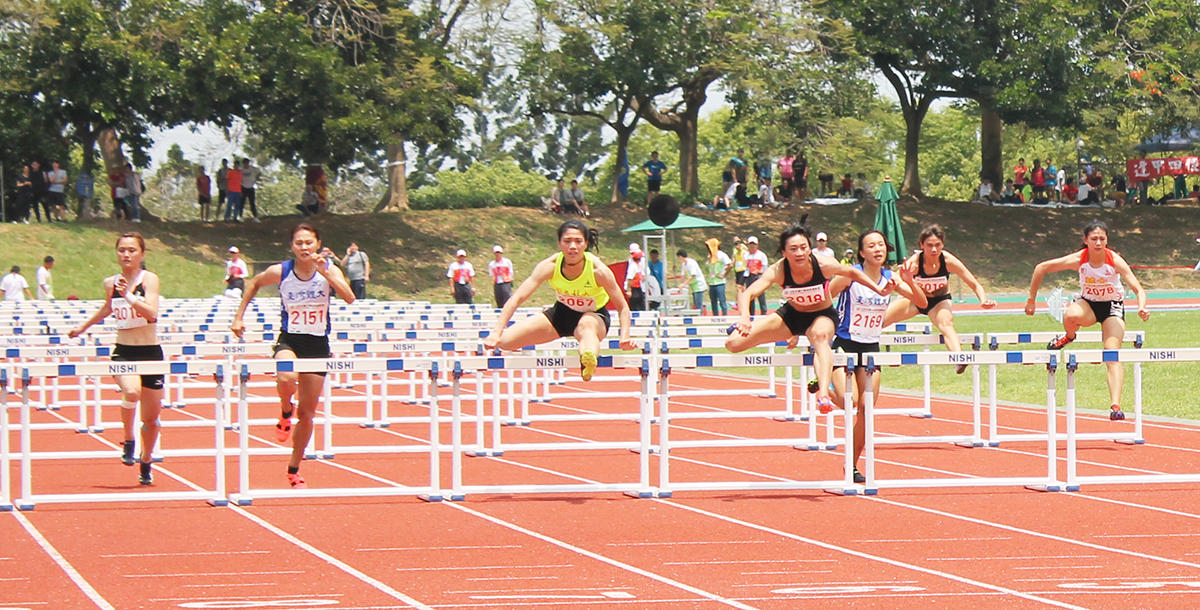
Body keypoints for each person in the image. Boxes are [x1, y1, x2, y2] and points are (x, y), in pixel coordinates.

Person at [231, 223, 355, 488]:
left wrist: (327, 273)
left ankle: (294, 467)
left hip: (317, 343)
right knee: (286, 374)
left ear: (318, 244)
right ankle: (286, 409)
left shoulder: (330, 270)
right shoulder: (282, 271)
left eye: (309, 242)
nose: (304, 248)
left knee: (308, 413)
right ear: (292, 247)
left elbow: (349, 297)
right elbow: (253, 283)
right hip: (290, 339)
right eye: (299, 243)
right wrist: (239, 316)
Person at [726, 223, 895, 415]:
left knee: (820, 336)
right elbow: (747, 293)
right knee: (734, 343)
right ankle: (779, 334)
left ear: (810, 248)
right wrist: (745, 318)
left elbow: (852, 272)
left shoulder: (822, 264)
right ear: (784, 252)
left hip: (821, 315)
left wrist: (878, 289)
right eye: (793, 249)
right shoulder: (778, 270)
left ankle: (823, 394)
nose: (799, 253)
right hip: (792, 315)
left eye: (803, 248)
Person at [1025, 220, 1149, 421]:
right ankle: (1069, 336)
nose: (1098, 242)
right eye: (1094, 239)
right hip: (1088, 305)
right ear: (1086, 240)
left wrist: (1142, 306)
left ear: (1107, 240)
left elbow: (1138, 289)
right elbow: (1041, 268)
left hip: (1112, 308)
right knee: (1071, 315)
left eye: (1102, 239)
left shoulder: (1114, 261)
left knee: (1112, 353)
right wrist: (1031, 300)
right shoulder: (1079, 259)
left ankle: (1115, 406)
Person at [483, 219, 637, 381]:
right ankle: (587, 355)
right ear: (559, 244)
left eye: (578, 241)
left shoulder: (599, 271)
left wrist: (624, 336)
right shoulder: (549, 266)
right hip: (561, 314)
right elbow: (517, 298)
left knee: (586, 326)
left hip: (594, 316)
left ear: (585, 245)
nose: (572, 246)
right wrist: (496, 332)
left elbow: (623, 307)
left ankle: (588, 361)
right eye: (567, 241)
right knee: (506, 342)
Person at [830, 230, 927, 483]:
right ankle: (826, 388)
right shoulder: (849, 276)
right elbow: (822, 298)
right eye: (870, 245)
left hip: (871, 347)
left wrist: (909, 280)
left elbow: (922, 302)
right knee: (847, 400)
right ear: (861, 252)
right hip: (844, 344)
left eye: (881, 245)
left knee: (866, 408)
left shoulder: (891, 277)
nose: (877, 249)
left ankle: (850, 464)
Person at [67, 233, 162, 485]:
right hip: (124, 350)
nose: (126, 254)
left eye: (132, 250)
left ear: (142, 254)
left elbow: (152, 313)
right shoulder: (111, 283)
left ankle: (146, 459)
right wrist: (82, 327)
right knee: (131, 392)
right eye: (122, 250)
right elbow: (108, 307)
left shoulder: (149, 279)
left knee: (151, 421)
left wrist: (129, 296)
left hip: (151, 352)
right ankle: (128, 438)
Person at [884, 224, 998, 374]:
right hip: (915, 300)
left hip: (939, 301)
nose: (934, 250)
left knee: (946, 322)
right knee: (881, 320)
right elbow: (896, 282)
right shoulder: (914, 263)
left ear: (943, 245)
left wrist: (983, 300)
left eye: (938, 245)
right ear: (921, 246)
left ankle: (958, 359)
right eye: (929, 245)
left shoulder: (949, 261)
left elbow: (974, 283)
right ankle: (855, 344)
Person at [742, 236, 770, 315]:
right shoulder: (746, 255)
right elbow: (746, 266)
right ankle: (751, 314)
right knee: (750, 296)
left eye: (754, 244)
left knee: (761, 296)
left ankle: (763, 313)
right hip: (750, 276)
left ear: (757, 245)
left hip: (759, 276)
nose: (752, 246)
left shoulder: (761, 255)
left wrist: (764, 278)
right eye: (750, 244)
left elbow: (765, 267)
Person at [705, 238, 731, 316]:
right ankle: (715, 317)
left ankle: (725, 315)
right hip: (712, 282)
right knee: (713, 302)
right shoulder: (710, 256)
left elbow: (730, 264)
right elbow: (707, 266)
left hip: (720, 282)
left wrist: (724, 274)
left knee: (722, 301)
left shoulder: (721, 254)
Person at [677, 249, 708, 314]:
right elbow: (683, 275)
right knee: (695, 303)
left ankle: (700, 317)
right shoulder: (684, 264)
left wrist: (684, 284)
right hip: (693, 286)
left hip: (699, 285)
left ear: (680, 257)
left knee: (698, 303)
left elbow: (693, 275)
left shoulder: (691, 263)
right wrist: (681, 285)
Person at [624, 243, 646, 311]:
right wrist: (629, 289)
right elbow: (630, 278)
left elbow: (646, 271)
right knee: (635, 307)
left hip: (641, 287)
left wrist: (644, 276)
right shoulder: (632, 265)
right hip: (634, 288)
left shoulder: (643, 261)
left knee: (642, 306)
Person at [240, 158, 262, 222]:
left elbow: (259, 172)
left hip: (251, 187)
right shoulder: (241, 170)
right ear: (243, 163)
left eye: (247, 163)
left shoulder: (252, 169)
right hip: (243, 187)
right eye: (245, 163)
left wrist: (256, 178)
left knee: (252, 203)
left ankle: (255, 217)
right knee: (242, 203)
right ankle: (240, 216)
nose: (246, 164)